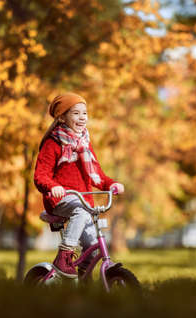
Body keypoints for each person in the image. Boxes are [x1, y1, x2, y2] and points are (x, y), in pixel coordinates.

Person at [34, 92, 124, 278]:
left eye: (85, 113)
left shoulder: (84, 143)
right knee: (81, 212)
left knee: (92, 246)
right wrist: (52, 186)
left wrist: (112, 184)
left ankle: (83, 283)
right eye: (75, 113)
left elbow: (97, 176)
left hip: (84, 201)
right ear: (62, 117)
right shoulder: (53, 143)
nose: (82, 117)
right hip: (60, 199)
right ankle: (64, 257)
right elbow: (40, 175)